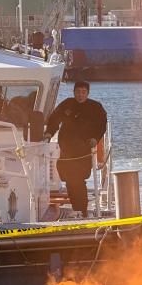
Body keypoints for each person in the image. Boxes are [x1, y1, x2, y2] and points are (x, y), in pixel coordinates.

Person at [44, 81, 107, 218]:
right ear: (74, 92)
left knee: (78, 179)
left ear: (87, 93)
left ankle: (81, 209)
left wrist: (95, 138)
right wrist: (49, 132)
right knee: (67, 177)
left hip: (83, 149)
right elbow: (54, 119)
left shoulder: (95, 107)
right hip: (66, 148)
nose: (80, 95)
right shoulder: (67, 104)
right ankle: (76, 208)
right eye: (78, 92)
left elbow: (102, 125)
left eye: (83, 92)